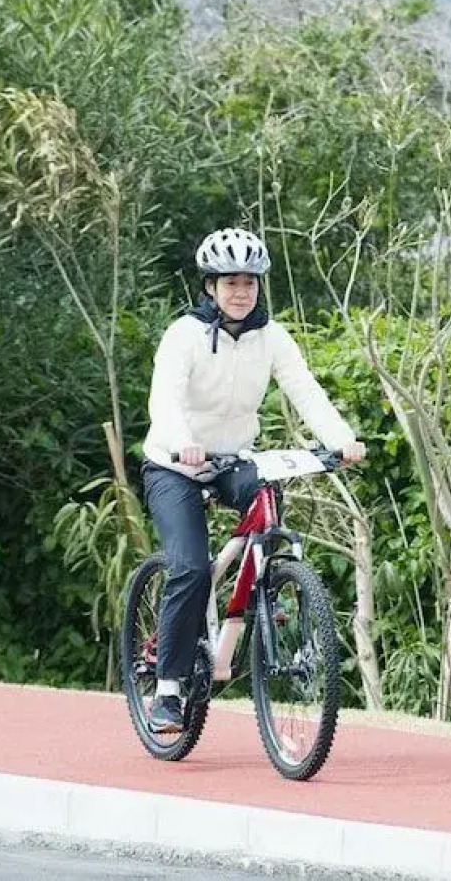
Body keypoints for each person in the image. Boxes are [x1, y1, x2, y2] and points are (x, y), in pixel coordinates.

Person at [139, 227, 367, 734]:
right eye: (229, 282)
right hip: (174, 464)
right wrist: (181, 440)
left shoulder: (273, 338)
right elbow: (164, 401)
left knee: (266, 507)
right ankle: (169, 690)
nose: (240, 292)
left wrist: (342, 439)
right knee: (192, 569)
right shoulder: (184, 336)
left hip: (235, 458)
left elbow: (306, 393)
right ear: (210, 287)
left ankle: (261, 595)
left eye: (249, 282)